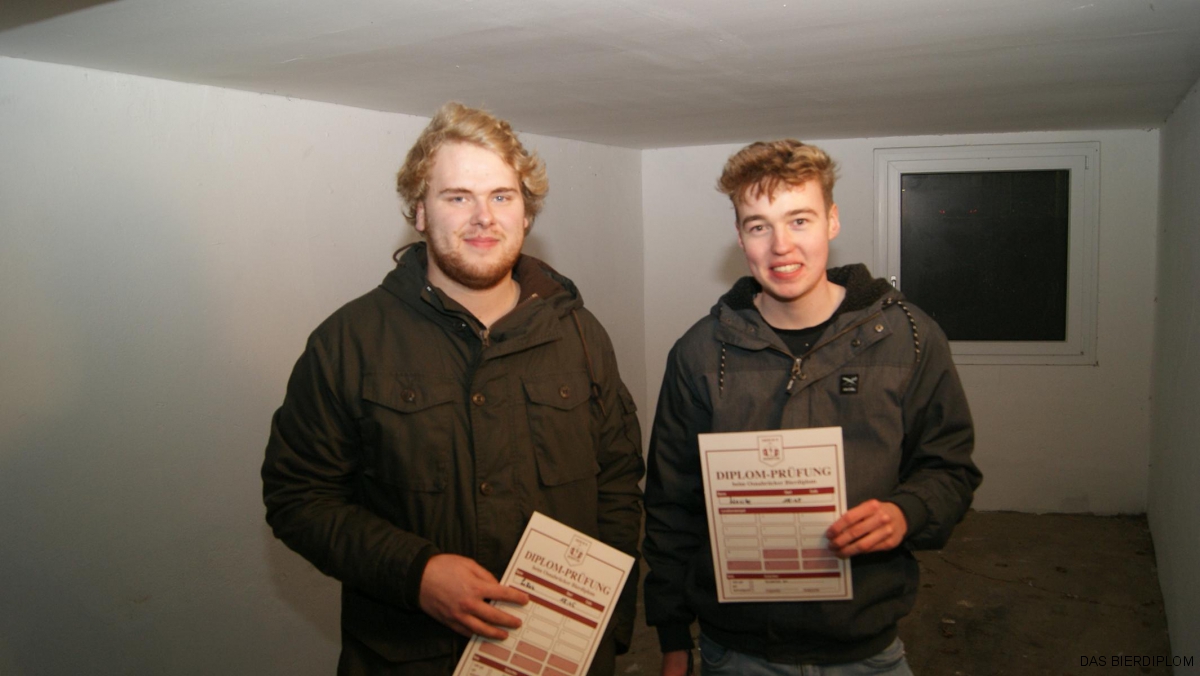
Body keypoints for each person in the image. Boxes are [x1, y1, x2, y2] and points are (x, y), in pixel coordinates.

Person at [262, 102, 644, 676]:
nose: (483, 217)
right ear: (419, 212)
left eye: (502, 196)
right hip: (410, 658)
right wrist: (415, 573)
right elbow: (298, 498)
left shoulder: (581, 336)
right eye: (458, 197)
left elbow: (617, 485)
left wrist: (607, 629)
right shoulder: (349, 342)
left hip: (561, 656)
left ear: (526, 213)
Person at [642, 139, 981, 675]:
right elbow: (671, 504)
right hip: (737, 650)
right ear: (740, 237)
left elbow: (950, 468)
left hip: (865, 647)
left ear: (832, 221)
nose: (781, 246)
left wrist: (906, 512)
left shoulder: (909, 337)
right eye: (759, 226)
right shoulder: (700, 353)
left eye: (799, 220)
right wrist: (672, 636)